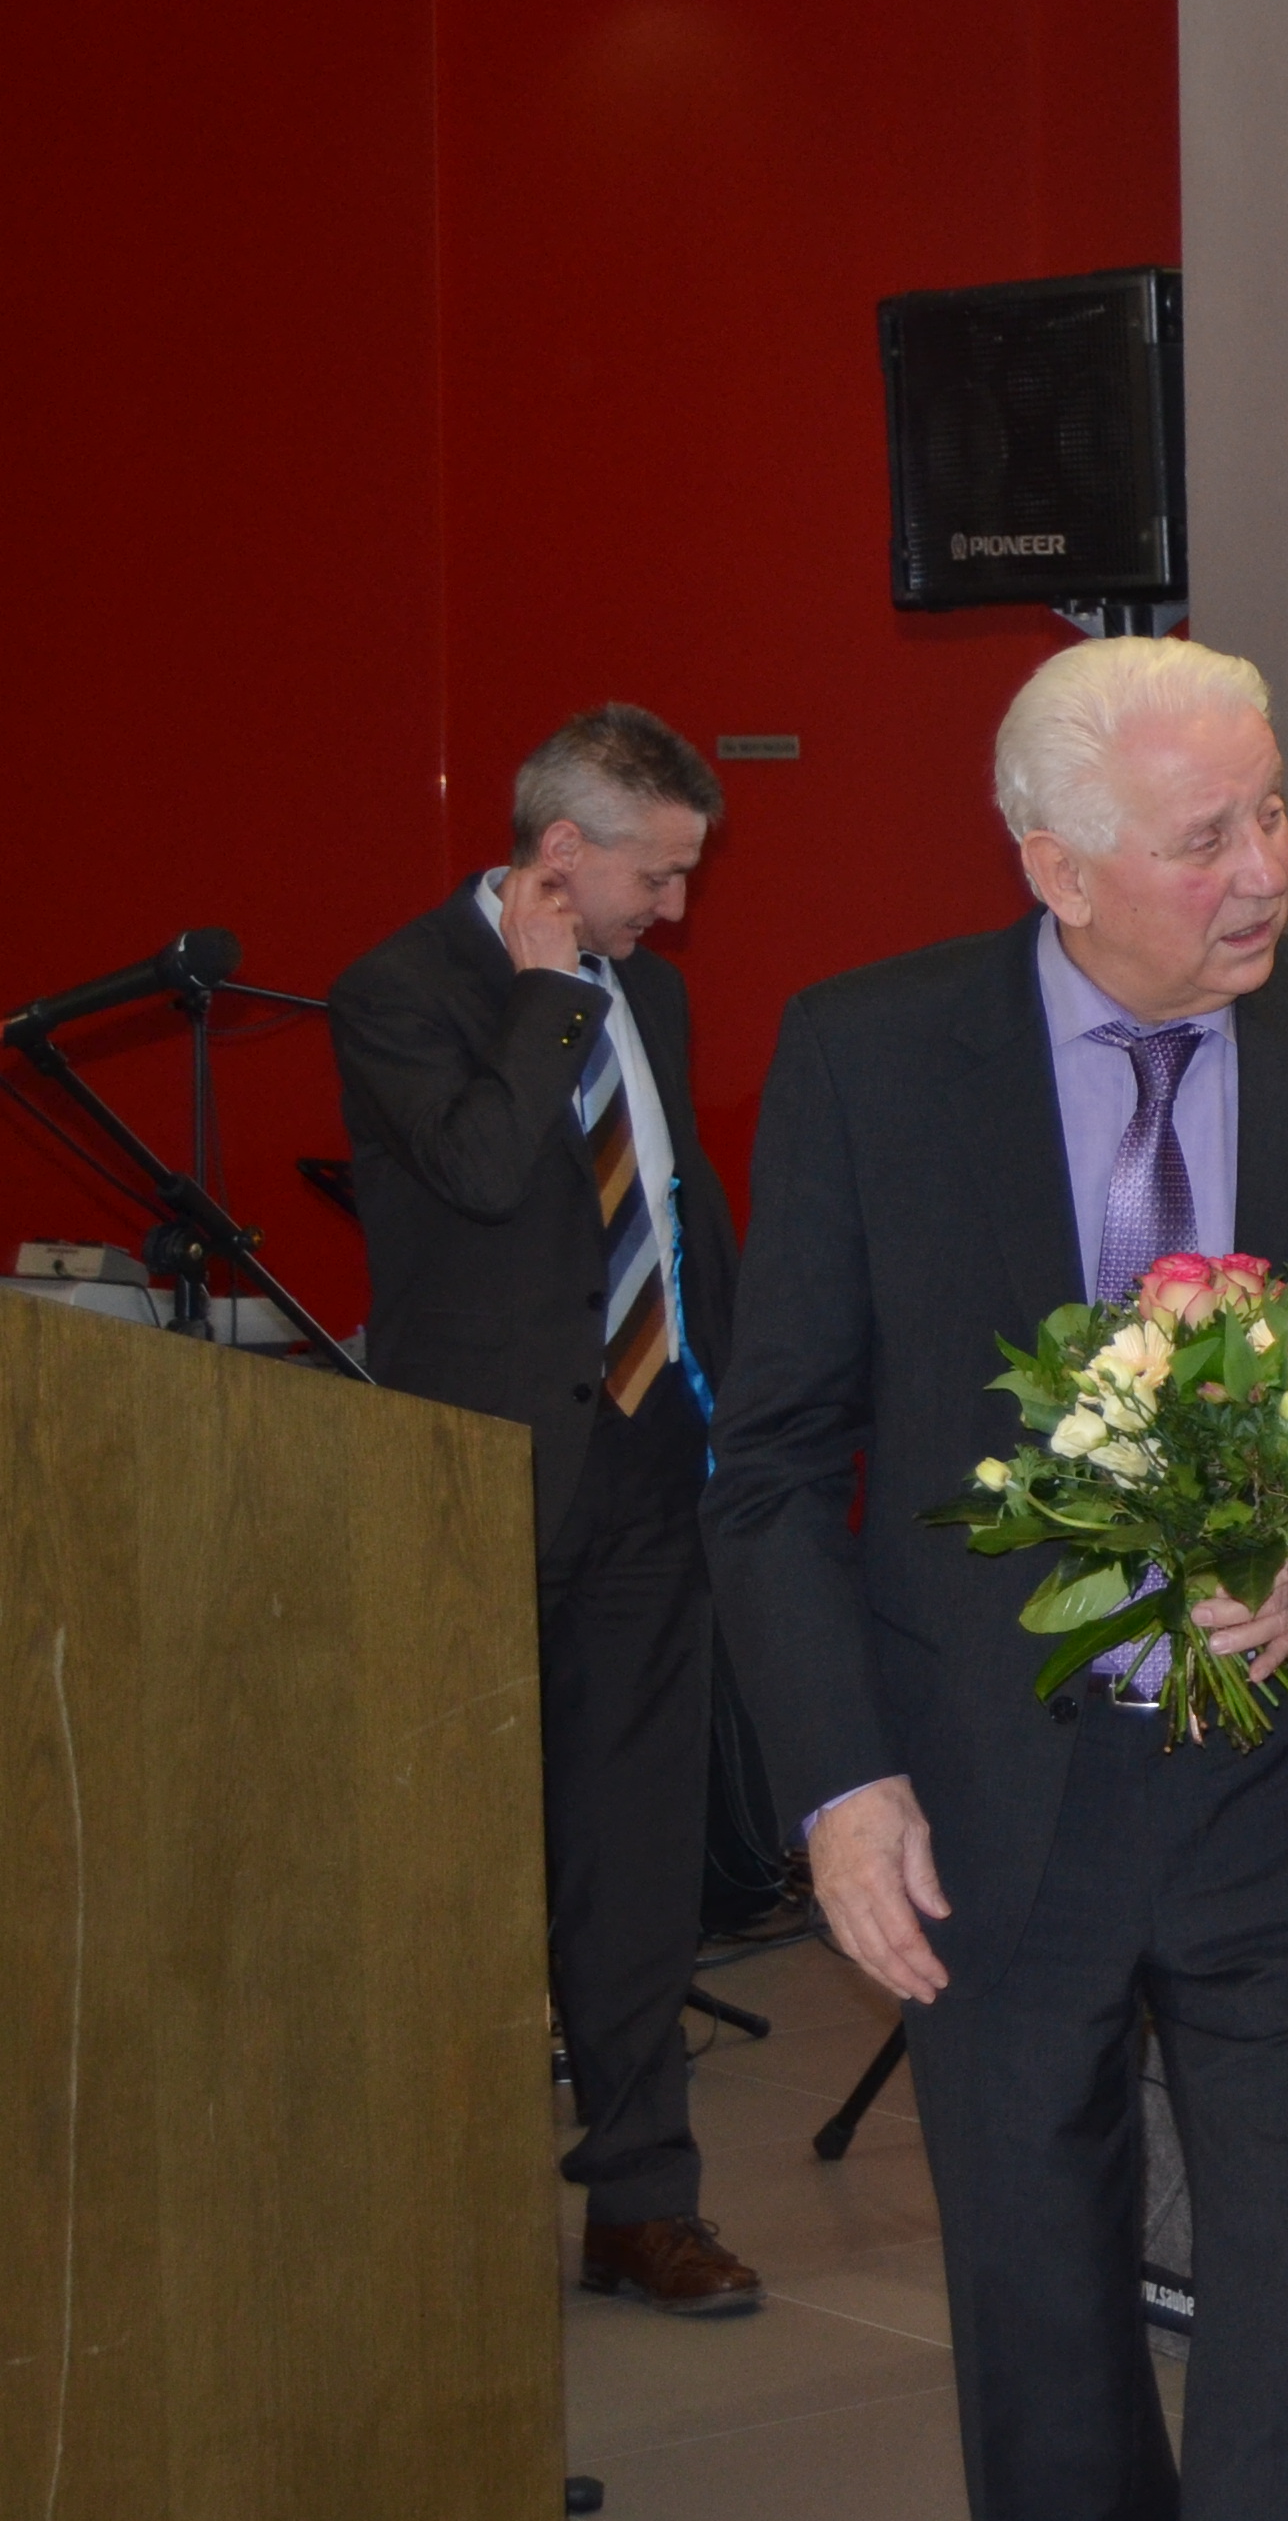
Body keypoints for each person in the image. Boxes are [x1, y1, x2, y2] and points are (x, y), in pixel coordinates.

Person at [703, 637, 1288, 2520]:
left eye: (1273, 813)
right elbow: (776, 1462)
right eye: (1205, 838)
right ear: (1056, 867)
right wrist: (839, 1784)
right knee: (1041, 2328)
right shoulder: (871, 1056)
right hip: (988, 1801)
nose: (1265, 870)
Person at [336, 704, 758, 2314]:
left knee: (636, 1860)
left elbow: (674, 1211)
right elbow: (481, 1169)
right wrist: (540, 992)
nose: (678, 908)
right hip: (476, 1487)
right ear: (561, 854)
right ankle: (433, 2212)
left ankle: (643, 2204)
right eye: (658, 875)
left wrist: (749, 1410)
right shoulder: (401, 989)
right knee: (459, 1860)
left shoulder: (657, 990)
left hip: (651, 1472)